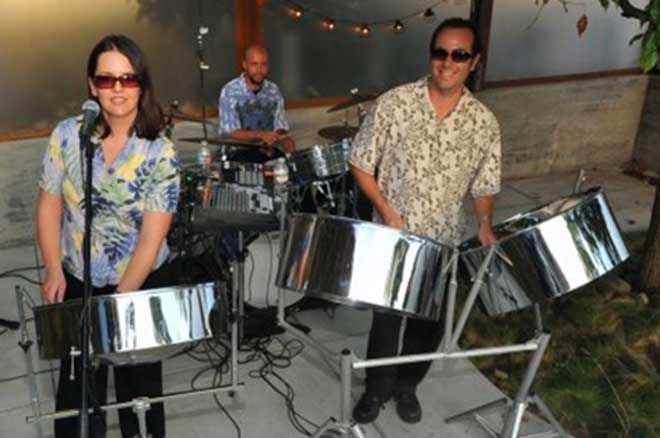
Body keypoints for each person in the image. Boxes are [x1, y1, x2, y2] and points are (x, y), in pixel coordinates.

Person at [348, 18, 501, 424]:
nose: (447, 62)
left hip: (445, 241)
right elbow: (360, 162)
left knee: (428, 324)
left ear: (475, 61)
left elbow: (485, 183)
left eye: (459, 55)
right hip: (395, 237)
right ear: (430, 55)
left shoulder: (483, 123)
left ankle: (407, 386)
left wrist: (484, 222)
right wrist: (385, 207)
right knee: (387, 321)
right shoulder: (395, 103)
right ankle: (376, 391)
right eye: (440, 52)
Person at [37, 34, 180, 438]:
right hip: (78, 280)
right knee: (77, 397)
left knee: (140, 397)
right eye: (107, 79)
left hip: (137, 285)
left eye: (128, 78)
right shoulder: (67, 136)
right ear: (91, 85)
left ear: (141, 84)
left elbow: (151, 240)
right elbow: (49, 205)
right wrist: (52, 268)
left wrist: (114, 311)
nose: (117, 89)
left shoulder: (160, 152)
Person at [218, 44, 295, 161]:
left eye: (263, 64)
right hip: (238, 154)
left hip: (267, 152)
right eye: (254, 64)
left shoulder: (274, 90)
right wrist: (260, 135)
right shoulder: (229, 91)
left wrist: (284, 139)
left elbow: (280, 126)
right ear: (244, 65)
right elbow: (230, 131)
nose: (259, 70)